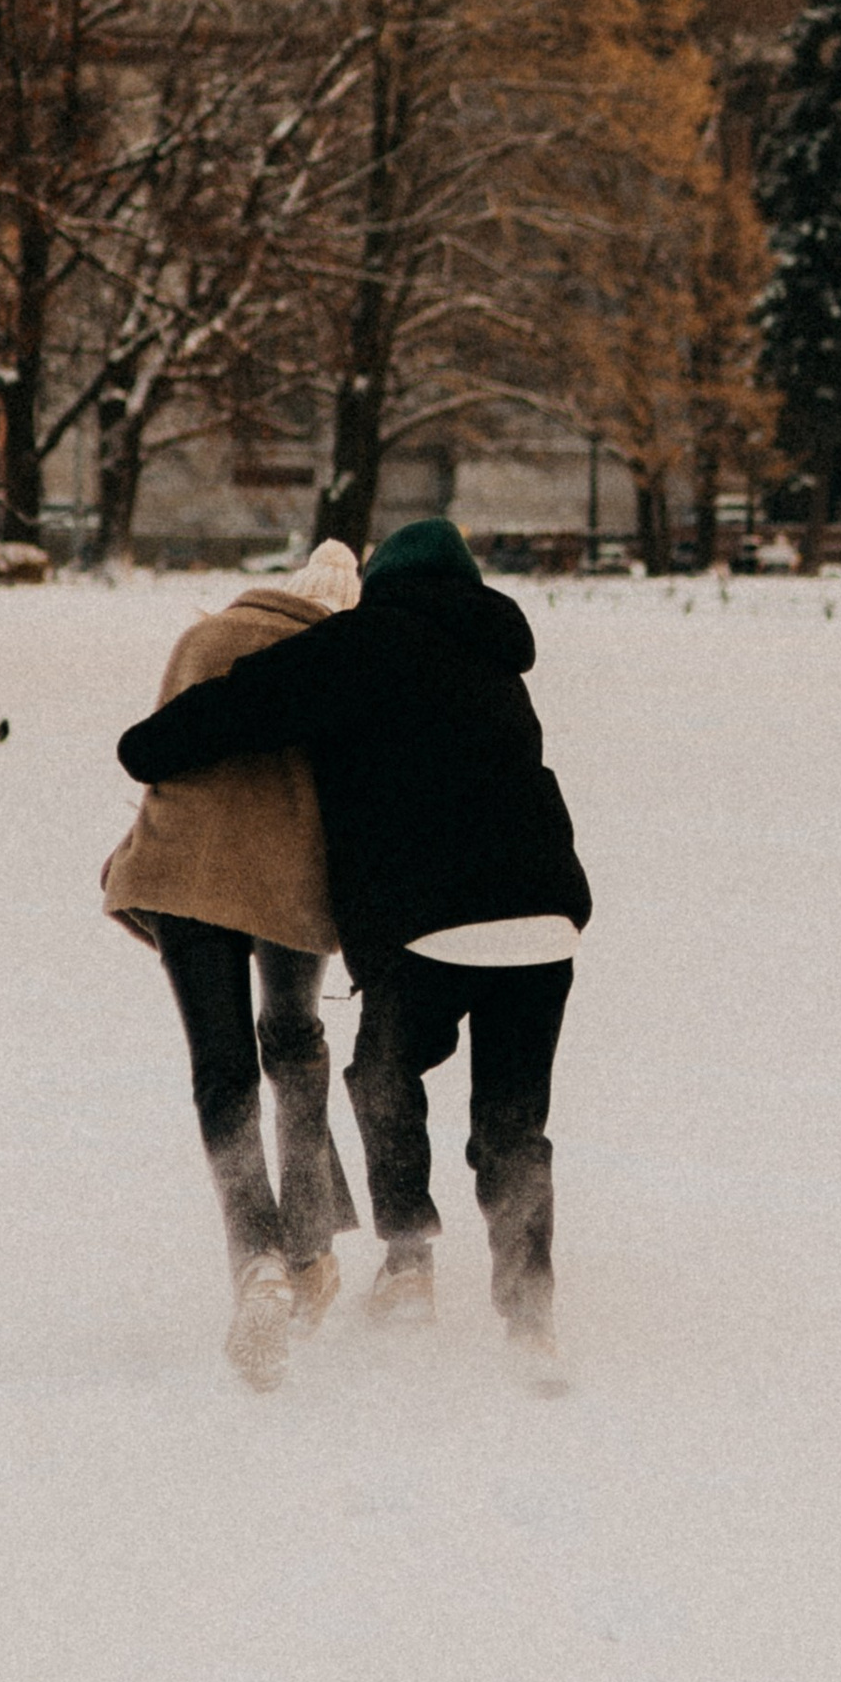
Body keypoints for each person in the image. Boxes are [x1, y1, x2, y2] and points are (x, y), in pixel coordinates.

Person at [117, 517, 589, 1376]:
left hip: (429, 923)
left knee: (383, 1078)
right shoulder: (497, 660)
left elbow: (249, 701)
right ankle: (532, 1325)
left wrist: (145, 748)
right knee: (514, 1127)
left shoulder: (371, 641)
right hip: (543, 921)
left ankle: (407, 1265)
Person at [103, 540, 365, 1391]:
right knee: (293, 1044)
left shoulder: (203, 640)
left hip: (185, 875)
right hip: (290, 885)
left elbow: (157, 757)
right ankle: (311, 1250)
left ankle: (257, 1262)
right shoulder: (340, 659)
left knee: (222, 1072)